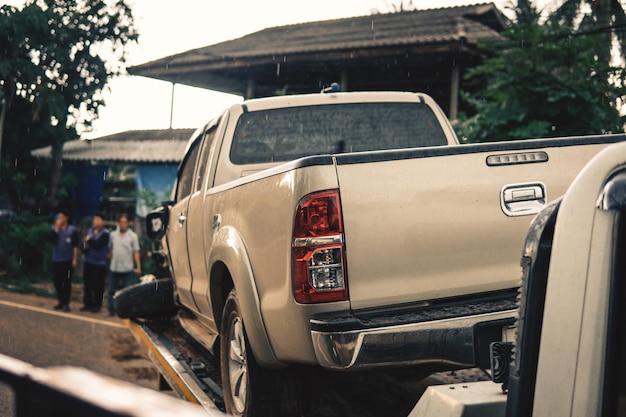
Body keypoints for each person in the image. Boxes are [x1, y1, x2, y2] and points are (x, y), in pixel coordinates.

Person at [108, 213, 141, 316]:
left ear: (128, 223)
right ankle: (112, 310)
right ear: (118, 223)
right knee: (112, 290)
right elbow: (110, 248)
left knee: (128, 291)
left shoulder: (133, 236)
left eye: (125, 222)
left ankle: (127, 311)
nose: (123, 224)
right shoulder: (113, 235)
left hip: (127, 268)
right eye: (121, 222)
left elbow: (136, 252)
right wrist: (112, 257)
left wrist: (138, 266)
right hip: (115, 267)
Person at [50, 209, 79, 312]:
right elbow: (51, 240)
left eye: (62, 217)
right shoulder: (54, 229)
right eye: (58, 218)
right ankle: (60, 301)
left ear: (66, 218)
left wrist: (75, 259)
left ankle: (66, 303)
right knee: (57, 282)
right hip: (57, 259)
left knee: (66, 283)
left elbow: (75, 246)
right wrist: (56, 229)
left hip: (67, 260)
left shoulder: (72, 230)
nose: (59, 219)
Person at [81, 212, 110, 313]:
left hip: (99, 263)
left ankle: (97, 305)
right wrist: (85, 244)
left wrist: (89, 240)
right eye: (94, 219)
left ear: (103, 222)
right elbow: (86, 243)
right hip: (89, 261)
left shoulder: (105, 233)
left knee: (98, 285)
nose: (95, 221)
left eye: (98, 219)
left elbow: (98, 244)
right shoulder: (90, 231)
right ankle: (87, 304)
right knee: (87, 284)